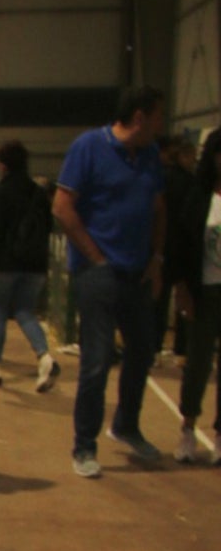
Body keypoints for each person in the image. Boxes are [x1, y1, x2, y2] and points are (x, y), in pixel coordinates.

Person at [53, 85, 167, 478]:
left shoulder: (150, 155)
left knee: (143, 350)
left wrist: (156, 258)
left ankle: (126, 426)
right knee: (97, 362)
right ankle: (84, 446)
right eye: (157, 117)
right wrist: (96, 258)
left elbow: (157, 208)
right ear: (139, 117)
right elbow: (62, 207)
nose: (161, 126)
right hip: (98, 274)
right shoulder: (88, 147)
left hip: (136, 274)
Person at [0, 141, 60, 391]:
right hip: (35, 265)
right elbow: (49, 227)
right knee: (25, 312)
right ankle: (44, 358)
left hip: (3, 265)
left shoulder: (1, 193)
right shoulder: (38, 193)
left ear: (2, 164)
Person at [171, 126, 221, 464]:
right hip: (205, 291)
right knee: (198, 363)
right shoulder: (199, 195)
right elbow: (182, 247)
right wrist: (183, 290)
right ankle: (188, 429)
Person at [155, 132, 196, 363]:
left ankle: (155, 346)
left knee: (159, 300)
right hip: (183, 248)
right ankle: (183, 346)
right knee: (184, 298)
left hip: (163, 247)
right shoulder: (191, 182)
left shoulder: (161, 178)